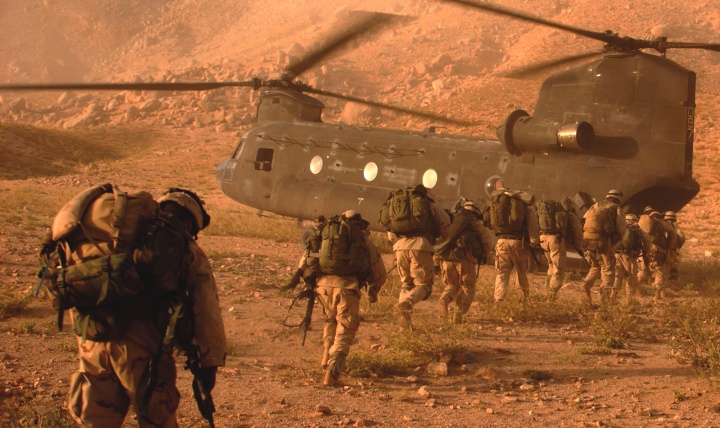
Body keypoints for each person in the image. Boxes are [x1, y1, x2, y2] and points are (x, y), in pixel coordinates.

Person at [65, 188, 227, 427]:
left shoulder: (117, 236)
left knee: (95, 421)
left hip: (93, 337)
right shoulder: (182, 245)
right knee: (157, 419)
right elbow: (206, 312)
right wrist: (208, 366)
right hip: (140, 349)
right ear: (190, 221)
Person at [300, 211, 386, 386]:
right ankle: (332, 375)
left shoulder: (324, 234)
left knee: (330, 319)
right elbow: (378, 271)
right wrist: (373, 291)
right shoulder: (362, 240)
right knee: (345, 332)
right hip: (347, 288)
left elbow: (304, 262)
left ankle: (325, 357)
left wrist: (310, 283)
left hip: (323, 288)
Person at [384, 184, 450, 330]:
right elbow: (445, 224)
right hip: (420, 246)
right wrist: (442, 240)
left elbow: (390, 231)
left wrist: (398, 244)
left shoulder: (397, 205)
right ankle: (408, 302)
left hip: (400, 246)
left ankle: (404, 325)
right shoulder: (429, 205)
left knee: (406, 284)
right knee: (424, 285)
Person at [435, 201, 492, 323]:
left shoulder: (453, 220)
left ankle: (444, 299)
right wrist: (484, 257)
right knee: (469, 288)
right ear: (476, 212)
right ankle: (458, 314)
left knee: (451, 285)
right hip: (465, 260)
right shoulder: (475, 223)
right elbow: (486, 241)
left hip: (447, 259)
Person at [487, 188, 540, 304]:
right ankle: (523, 300)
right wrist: (534, 242)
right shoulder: (524, 207)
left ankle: (498, 300)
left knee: (502, 273)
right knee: (521, 272)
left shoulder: (499, 206)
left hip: (501, 242)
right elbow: (532, 225)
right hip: (518, 243)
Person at [580, 189, 626, 306]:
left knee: (595, 267)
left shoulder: (594, 206)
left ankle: (585, 286)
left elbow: (583, 221)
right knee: (608, 270)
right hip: (604, 243)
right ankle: (604, 303)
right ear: (618, 199)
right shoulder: (616, 208)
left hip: (588, 243)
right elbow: (621, 229)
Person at [539, 197, 585, 302]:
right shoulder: (570, 215)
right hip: (556, 240)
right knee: (558, 270)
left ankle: (546, 292)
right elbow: (578, 232)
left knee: (551, 266)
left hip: (543, 238)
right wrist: (579, 247)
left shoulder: (549, 214)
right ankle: (551, 297)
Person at [637, 207, 677, 302]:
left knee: (644, 270)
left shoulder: (642, 222)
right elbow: (673, 232)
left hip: (644, 249)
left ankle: (636, 290)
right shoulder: (660, 223)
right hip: (658, 250)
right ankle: (657, 295)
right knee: (660, 272)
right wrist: (670, 245)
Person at [611, 213, 650, 305]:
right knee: (632, 276)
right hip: (629, 256)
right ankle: (630, 299)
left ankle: (613, 296)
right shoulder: (637, 230)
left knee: (617, 276)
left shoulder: (618, 228)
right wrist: (646, 252)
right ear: (636, 221)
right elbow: (647, 240)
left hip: (616, 254)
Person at [664, 211, 686, 286]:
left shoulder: (662, 226)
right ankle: (671, 285)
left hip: (661, 250)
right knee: (673, 268)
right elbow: (682, 237)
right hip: (672, 250)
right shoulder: (675, 226)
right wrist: (677, 245)